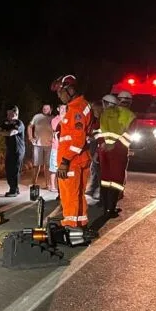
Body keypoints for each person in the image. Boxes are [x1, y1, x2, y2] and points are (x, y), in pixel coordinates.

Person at [51, 74, 93, 228]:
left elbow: (77, 139)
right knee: (78, 194)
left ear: (70, 89)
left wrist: (65, 161)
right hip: (79, 158)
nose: (58, 95)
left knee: (69, 195)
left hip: (72, 161)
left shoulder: (76, 109)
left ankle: (70, 226)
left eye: (60, 91)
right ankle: (80, 222)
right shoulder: (81, 106)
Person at [97, 93, 136, 217]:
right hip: (118, 151)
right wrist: (116, 145)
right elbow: (129, 135)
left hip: (103, 150)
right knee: (116, 179)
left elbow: (99, 130)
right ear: (130, 102)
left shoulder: (106, 112)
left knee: (105, 178)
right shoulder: (131, 116)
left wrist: (102, 144)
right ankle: (111, 209)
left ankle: (104, 205)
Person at [0, 105, 25, 197]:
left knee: (15, 170)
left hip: (18, 150)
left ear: (15, 113)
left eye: (10, 113)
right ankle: (14, 189)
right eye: (7, 113)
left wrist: (0, 133)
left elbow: (11, 133)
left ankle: (13, 190)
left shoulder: (19, 123)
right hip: (10, 149)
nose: (8, 115)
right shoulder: (6, 123)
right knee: (8, 169)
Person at [28, 105, 54, 188]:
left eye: (47, 108)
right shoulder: (37, 117)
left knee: (48, 166)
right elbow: (29, 126)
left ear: (51, 109)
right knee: (36, 165)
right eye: (44, 108)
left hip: (49, 145)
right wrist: (30, 137)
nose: (45, 110)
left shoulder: (53, 118)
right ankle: (33, 183)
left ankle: (48, 184)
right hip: (37, 145)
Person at [84, 98, 103, 200]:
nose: (94, 111)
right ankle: (93, 188)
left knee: (98, 169)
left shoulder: (102, 120)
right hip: (93, 146)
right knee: (95, 169)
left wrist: (91, 137)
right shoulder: (95, 119)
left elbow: (100, 134)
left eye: (95, 109)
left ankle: (100, 192)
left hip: (97, 146)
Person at [48, 104, 65, 192]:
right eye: (61, 108)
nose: (63, 109)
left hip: (64, 147)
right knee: (54, 168)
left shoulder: (69, 118)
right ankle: (53, 186)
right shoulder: (55, 120)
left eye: (65, 108)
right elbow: (55, 130)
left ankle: (61, 187)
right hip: (55, 147)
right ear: (58, 109)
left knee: (63, 168)